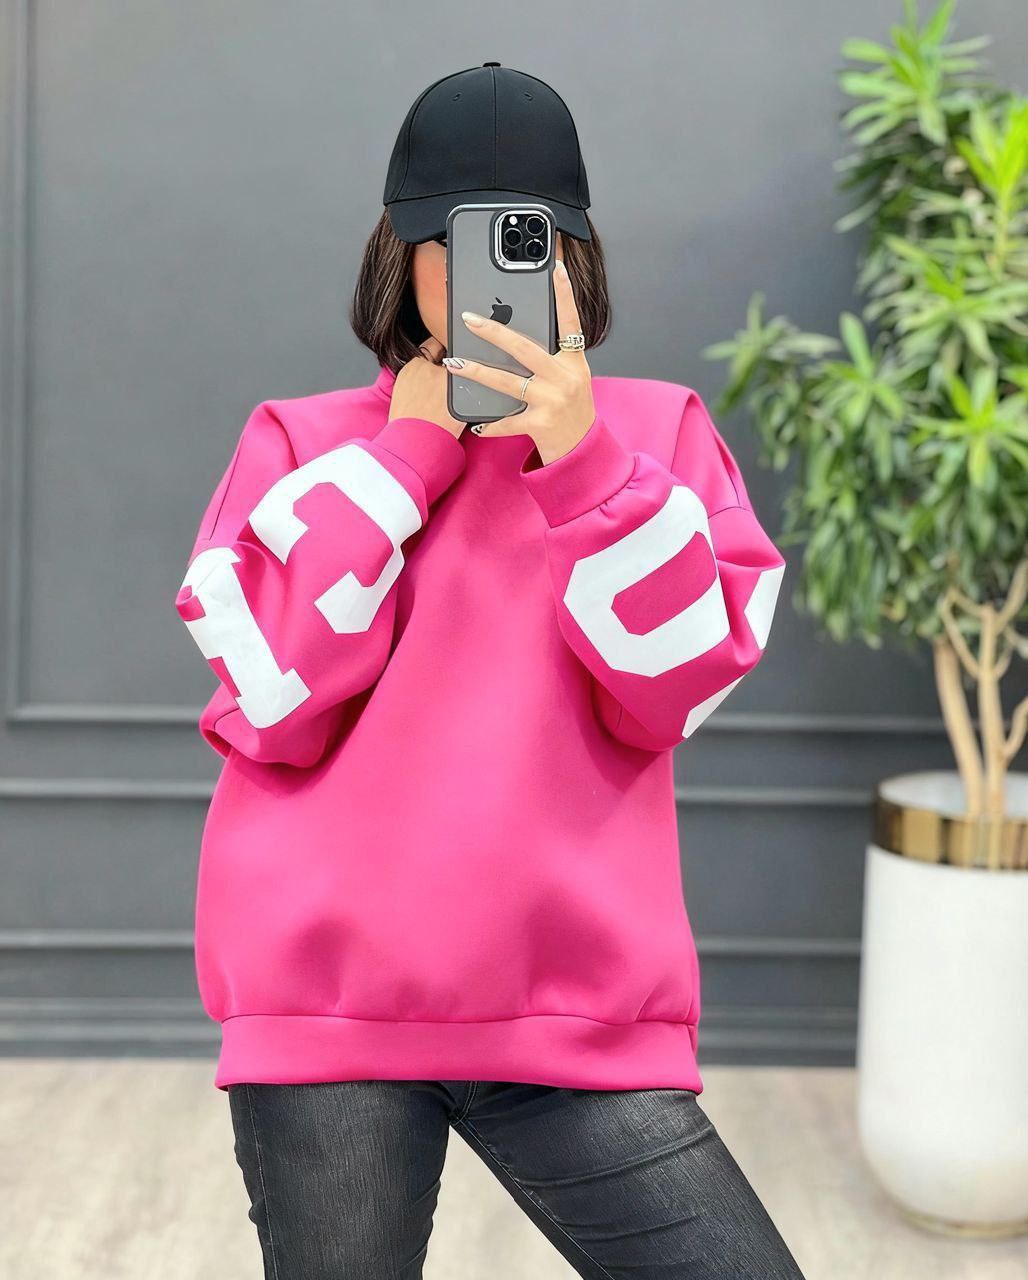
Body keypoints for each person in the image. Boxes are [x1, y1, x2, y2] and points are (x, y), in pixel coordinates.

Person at [174, 61, 799, 1279]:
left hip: (577, 1015)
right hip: (329, 1018)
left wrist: (580, 462)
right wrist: (408, 454)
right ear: (399, 257)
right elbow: (270, 701)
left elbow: (673, 689)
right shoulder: (299, 442)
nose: (488, 280)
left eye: (528, 242)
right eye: (452, 244)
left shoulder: (655, 437)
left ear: (574, 259)